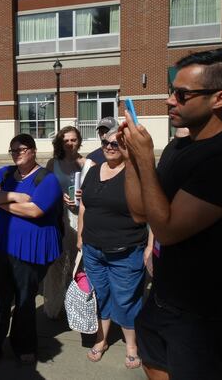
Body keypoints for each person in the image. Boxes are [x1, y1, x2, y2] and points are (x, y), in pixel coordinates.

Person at [118, 48, 222, 379]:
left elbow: (167, 229)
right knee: (153, 363)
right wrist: (132, 162)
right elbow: (140, 214)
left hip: (203, 311)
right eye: (170, 91)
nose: (169, 101)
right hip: (164, 294)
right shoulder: (181, 146)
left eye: (181, 94)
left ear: (219, 98)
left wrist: (146, 158)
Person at [0, 134, 63, 368]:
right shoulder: (3, 172)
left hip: (29, 249)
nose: (17, 153)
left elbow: (34, 211)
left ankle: (24, 345)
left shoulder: (48, 179)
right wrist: (15, 196)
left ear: (33, 150)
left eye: (21, 149)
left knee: (24, 300)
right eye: (13, 150)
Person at [76, 130, 150, 369]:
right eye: (106, 143)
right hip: (93, 249)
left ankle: (131, 346)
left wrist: (150, 246)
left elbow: (153, 210)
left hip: (126, 251)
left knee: (126, 299)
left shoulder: (135, 173)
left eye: (116, 143)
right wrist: (80, 234)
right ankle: (102, 339)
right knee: (100, 295)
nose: (110, 147)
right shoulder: (94, 170)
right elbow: (85, 204)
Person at [43, 126, 89, 319]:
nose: (70, 143)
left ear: (79, 141)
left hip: (81, 217)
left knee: (78, 264)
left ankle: (76, 306)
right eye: (66, 140)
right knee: (57, 264)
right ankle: (54, 305)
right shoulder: (53, 163)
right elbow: (44, 189)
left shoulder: (87, 163)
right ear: (60, 143)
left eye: (73, 140)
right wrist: (59, 195)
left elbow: (96, 190)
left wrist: (83, 194)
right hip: (59, 217)